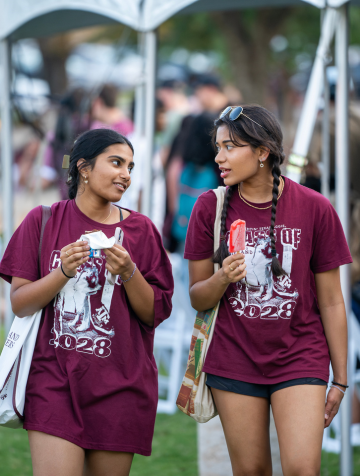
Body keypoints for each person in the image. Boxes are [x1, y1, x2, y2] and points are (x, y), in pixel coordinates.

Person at [184, 104, 352, 475]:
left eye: (230, 147)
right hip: (234, 356)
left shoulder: (315, 208)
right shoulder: (208, 208)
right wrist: (223, 277)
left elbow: (332, 301)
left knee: (302, 469)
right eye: (218, 146)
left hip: (300, 355)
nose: (219, 156)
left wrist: (340, 379)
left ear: (262, 152)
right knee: (252, 471)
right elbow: (197, 296)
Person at [0, 129, 174, 476]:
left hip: (122, 388)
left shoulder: (142, 231)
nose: (126, 174)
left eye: (130, 166)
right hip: (54, 382)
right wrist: (62, 271)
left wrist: (128, 271)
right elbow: (19, 303)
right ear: (84, 168)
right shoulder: (44, 219)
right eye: (116, 162)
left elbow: (154, 312)